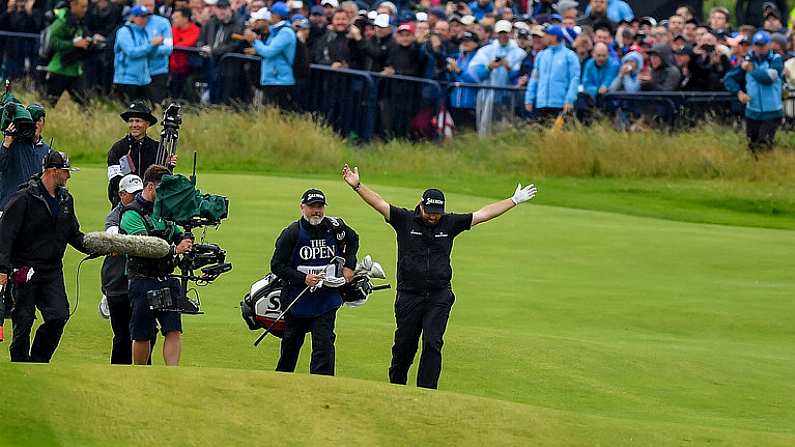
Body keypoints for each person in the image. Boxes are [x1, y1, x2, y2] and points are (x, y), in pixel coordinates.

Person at [341, 164, 537, 389]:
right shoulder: (404, 219)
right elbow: (379, 203)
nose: (434, 217)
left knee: (433, 342)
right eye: (430, 212)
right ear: (421, 206)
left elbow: (483, 214)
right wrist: (357, 186)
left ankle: (427, 392)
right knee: (405, 345)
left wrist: (513, 200)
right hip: (409, 295)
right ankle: (396, 386)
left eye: (437, 213)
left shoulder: (449, 223)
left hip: (439, 295)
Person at [0, 151, 89, 362]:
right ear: (53, 171)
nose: (68, 176)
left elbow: (73, 234)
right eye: (66, 172)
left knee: (59, 316)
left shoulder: (66, 200)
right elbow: (5, 235)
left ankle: (39, 361)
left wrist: (98, 247)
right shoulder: (23, 198)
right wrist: (2, 269)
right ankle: (20, 362)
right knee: (23, 321)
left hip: (52, 270)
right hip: (24, 269)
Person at [270, 189, 359, 376]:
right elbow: (277, 266)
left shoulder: (335, 227)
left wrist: (349, 266)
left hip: (326, 300)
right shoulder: (292, 233)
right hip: (296, 300)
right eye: (312, 207)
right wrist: (303, 279)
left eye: (319, 207)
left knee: (324, 345)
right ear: (302, 207)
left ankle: (323, 386)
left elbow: (353, 240)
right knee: (291, 345)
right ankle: (280, 381)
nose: (316, 211)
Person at [120, 165, 194, 366]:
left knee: (173, 328)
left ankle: (173, 373)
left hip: (165, 280)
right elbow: (145, 246)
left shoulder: (165, 212)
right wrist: (174, 250)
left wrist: (187, 237)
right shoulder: (131, 214)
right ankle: (141, 372)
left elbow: (178, 233)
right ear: (151, 187)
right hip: (143, 282)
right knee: (143, 333)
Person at [100, 174, 152, 364]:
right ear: (122, 195)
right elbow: (114, 237)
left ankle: (146, 376)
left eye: (139, 192)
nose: (137, 196)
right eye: (132, 193)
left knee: (147, 334)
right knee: (122, 336)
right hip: (117, 283)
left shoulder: (148, 211)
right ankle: (117, 378)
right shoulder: (115, 216)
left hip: (141, 280)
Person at [724, 30, 785, 156]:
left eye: (762, 45)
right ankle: (755, 172)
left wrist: (752, 70)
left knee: (764, 144)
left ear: (769, 45)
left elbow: (769, 78)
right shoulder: (747, 60)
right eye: (757, 45)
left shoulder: (776, 59)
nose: (759, 48)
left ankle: (768, 171)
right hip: (752, 111)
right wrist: (739, 93)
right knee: (752, 146)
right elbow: (729, 78)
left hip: (772, 112)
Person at [106, 101, 176, 207]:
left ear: (147, 124)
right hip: (123, 204)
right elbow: (114, 180)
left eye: (138, 121)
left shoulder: (158, 148)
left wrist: (169, 167)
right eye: (131, 121)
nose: (134, 125)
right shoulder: (118, 148)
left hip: (150, 204)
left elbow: (162, 180)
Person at [244, 2, 297, 109]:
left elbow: (268, 52)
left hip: (280, 80)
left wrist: (255, 41)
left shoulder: (285, 32)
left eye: (271, 13)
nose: (270, 15)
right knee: (269, 115)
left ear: (277, 15)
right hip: (273, 78)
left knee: (279, 115)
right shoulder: (276, 31)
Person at [525, 25, 580, 123]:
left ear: (554, 37)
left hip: (560, 104)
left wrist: (569, 99)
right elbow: (534, 78)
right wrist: (529, 98)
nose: (544, 37)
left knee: (559, 136)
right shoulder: (541, 55)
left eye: (547, 34)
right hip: (541, 104)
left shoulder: (569, 56)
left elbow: (574, 79)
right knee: (540, 136)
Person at [0, 105, 49, 210]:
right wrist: (7, 142)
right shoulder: (12, 145)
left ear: (43, 124)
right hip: (9, 208)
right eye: (33, 121)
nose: (35, 125)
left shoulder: (47, 151)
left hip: (33, 211)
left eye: (39, 121)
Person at [113, 5, 163, 103]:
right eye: (141, 16)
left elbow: (150, 55)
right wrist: (150, 44)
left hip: (144, 80)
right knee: (129, 113)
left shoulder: (144, 32)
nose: (144, 19)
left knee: (148, 111)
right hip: (126, 80)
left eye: (146, 17)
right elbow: (131, 52)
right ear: (132, 17)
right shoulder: (124, 32)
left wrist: (155, 46)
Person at [44, 0, 91, 106]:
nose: (85, 10)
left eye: (86, 7)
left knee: (84, 104)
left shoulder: (79, 21)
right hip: (59, 69)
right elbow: (52, 41)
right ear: (73, 5)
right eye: (82, 7)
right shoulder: (62, 21)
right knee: (49, 104)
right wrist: (72, 44)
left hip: (75, 70)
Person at [138, 0, 174, 106]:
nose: (148, 8)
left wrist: (148, 49)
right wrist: (151, 46)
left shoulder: (163, 23)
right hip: (138, 73)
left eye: (150, 5)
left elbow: (168, 48)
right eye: (145, 5)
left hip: (158, 71)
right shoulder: (133, 24)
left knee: (156, 106)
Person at [169, 7, 201, 100]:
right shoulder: (174, 28)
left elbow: (186, 44)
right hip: (174, 67)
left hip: (188, 69)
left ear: (185, 18)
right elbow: (170, 42)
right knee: (174, 94)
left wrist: (175, 45)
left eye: (176, 17)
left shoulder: (195, 30)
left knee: (187, 93)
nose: (174, 19)